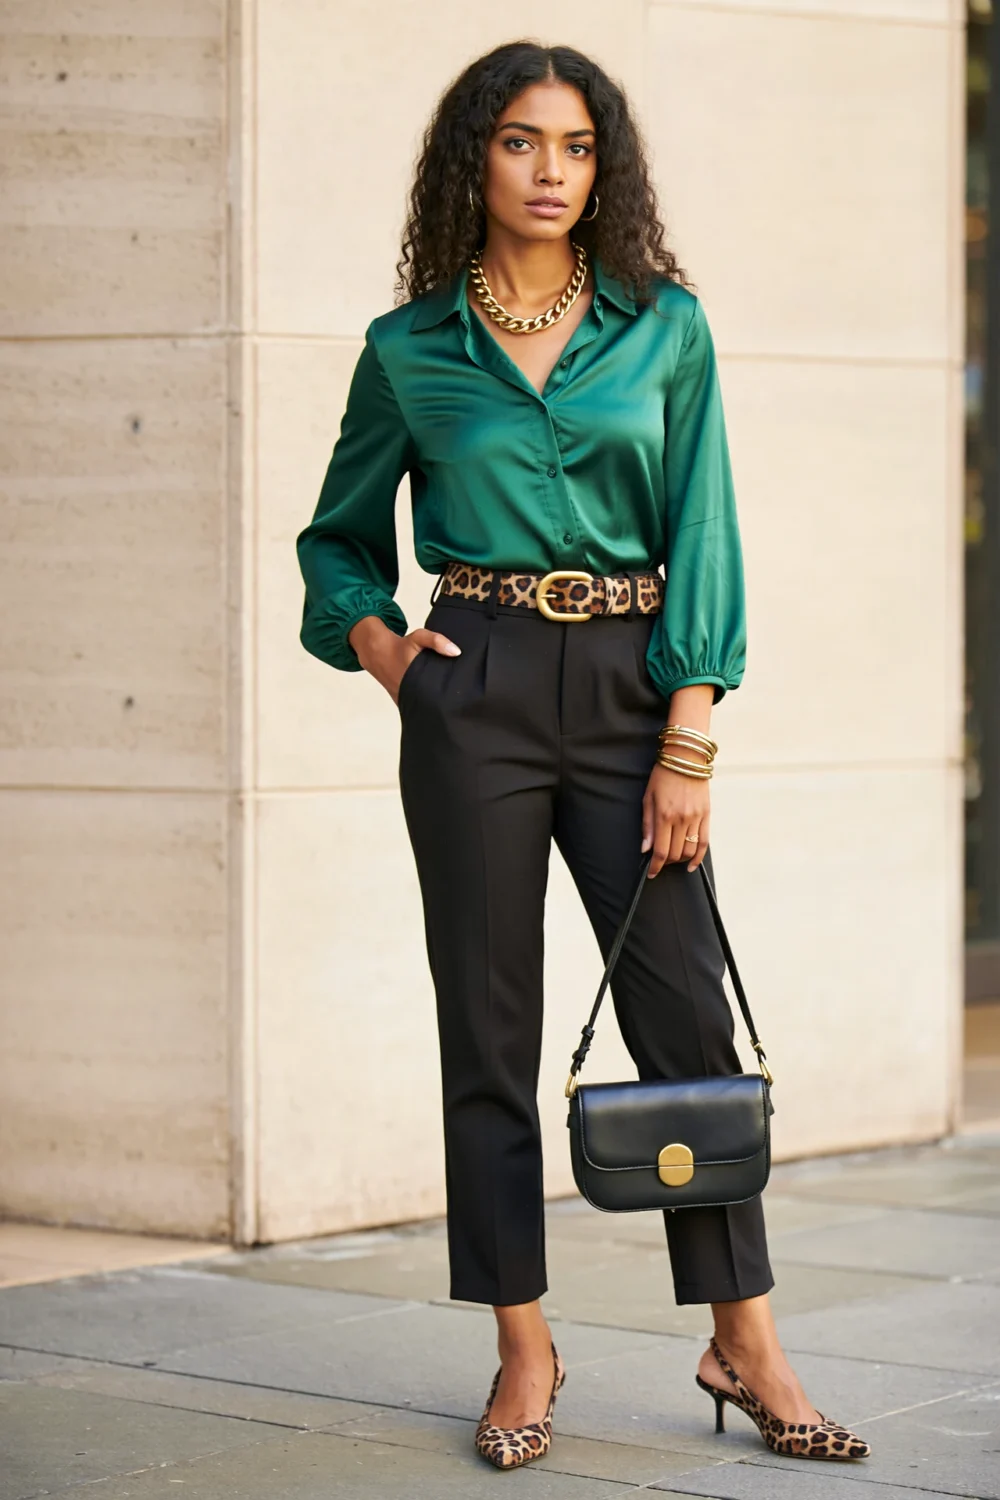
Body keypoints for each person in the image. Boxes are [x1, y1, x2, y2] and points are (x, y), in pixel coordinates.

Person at [295, 39, 871, 1473]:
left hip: (634, 689)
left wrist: (691, 734)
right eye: (520, 142)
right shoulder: (410, 349)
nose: (550, 172)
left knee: (685, 1020)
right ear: (473, 160)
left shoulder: (664, 328)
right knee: (488, 1031)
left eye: (576, 146)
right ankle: (522, 1342)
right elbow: (337, 541)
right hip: (476, 685)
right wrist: (391, 656)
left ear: (603, 167)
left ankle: (743, 1340)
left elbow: (706, 528)